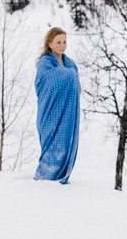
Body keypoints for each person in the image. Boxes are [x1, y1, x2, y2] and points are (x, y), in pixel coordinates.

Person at [33, 27, 80, 184]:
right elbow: (45, 84)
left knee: (64, 147)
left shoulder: (70, 64)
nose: (62, 45)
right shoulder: (45, 63)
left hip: (66, 115)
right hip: (49, 114)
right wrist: (68, 76)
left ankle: (59, 181)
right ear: (50, 44)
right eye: (58, 42)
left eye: (64, 41)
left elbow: (75, 86)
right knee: (52, 150)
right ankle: (42, 181)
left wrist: (69, 76)